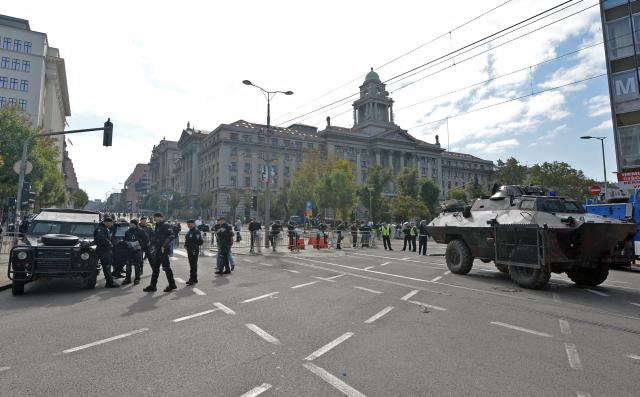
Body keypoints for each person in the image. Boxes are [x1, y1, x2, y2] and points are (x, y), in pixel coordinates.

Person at [143, 212, 177, 293]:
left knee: (166, 267)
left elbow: (171, 235)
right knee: (155, 268)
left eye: (157, 217)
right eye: (155, 217)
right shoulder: (157, 225)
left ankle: (172, 284)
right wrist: (152, 246)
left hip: (163, 250)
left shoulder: (166, 225)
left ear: (161, 217)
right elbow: (156, 237)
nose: (155, 218)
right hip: (157, 250)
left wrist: (164, 245)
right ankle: (153, 285)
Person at [93, 218, 119, 288]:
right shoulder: (100, 229)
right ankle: (110, 283)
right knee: (107, 266)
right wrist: (109, 243)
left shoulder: (104, 228)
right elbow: (101, 239)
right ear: (107, 222)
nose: (112, 225)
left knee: (107, 266)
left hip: (104, 250)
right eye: (112, 223)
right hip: (103, 250)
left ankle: (109, 281)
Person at [122, 219, 144, 285]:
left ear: (135, 224)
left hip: (137, 250)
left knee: (137, 265)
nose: (130, 224)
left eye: (131, 223)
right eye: (130, 223)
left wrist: (137, 243)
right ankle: (127, 279)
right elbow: (125, 239)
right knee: (128, 265)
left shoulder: (141, 231)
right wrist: (126, 243)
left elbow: (145, 239)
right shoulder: (127, 231)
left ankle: (137, 278)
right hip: (129, 250)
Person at [184, 219, 204, 285]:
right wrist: (186, 245)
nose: (188, 226)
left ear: (193, 224)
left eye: (190, 224)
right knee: (192, 264)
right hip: (189, 249)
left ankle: (191, 279)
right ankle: (195, 278)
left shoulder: (196, 231)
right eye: (187, 224)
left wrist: (194, 245)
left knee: (193, 264)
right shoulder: (190, 231)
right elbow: (187, 239)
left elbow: (200, 241)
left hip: (194, 249)